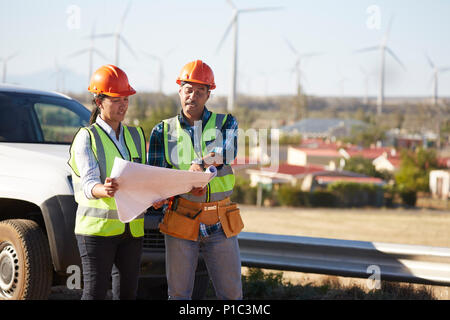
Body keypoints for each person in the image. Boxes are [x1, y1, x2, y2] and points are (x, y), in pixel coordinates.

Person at [147, 59, 243, 300]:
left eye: (200, 91)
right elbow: (158, 175)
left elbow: (227, 152)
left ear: (209, 94)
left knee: (232, 295)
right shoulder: (162, 130)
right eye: (188, 90)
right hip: (181, 216)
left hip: (220, 220)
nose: (193, 96)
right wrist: (162, 196)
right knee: (178, 295)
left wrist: (201, 164)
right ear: (180, 90)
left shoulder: (226, 123)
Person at [68, 64, 146, 300]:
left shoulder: (136, 136)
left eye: (126, 99)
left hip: (131, 230)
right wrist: (105, 189)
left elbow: (142, 178)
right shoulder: (87, 137)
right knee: (95, 294)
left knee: (127, 295)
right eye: (116, 99)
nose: (123, 104)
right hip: (96, 232)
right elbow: (88, 184)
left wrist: (155, 194)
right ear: (99, 102)